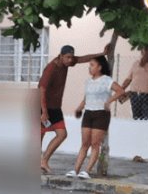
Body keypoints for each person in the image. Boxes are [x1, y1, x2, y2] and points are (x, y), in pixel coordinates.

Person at [38, 42, 113, 174]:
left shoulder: (68, 62)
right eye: (67, 57)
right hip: (42, 106)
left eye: (71, 57)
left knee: (62, 134)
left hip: (55, 108)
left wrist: (102, 53)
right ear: (60, 56)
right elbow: (41, 89)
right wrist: (43, 111)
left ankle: (43, 161)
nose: (70, 60)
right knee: (39, 135)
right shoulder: (51, 68)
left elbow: (83, 58)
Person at [68, 56, 125, 179]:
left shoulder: (106, 80)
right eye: (90, 65)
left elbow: (120, 91)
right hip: (88, 113)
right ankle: (75, 170)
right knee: (84, 143)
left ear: (99, 67)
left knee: (95, 144)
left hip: (101, 114)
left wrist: (108, 101)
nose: (89, 67)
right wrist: (79, 108)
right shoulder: (88, 81)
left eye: (92, 65)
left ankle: (87, 171)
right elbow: (86, 98)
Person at [120, 46, 148, 120]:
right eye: (144, 51)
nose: (145, 53)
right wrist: (121, 89)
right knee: (136, 119)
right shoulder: (136, 63)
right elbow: (128, 79)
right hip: (135, 95)